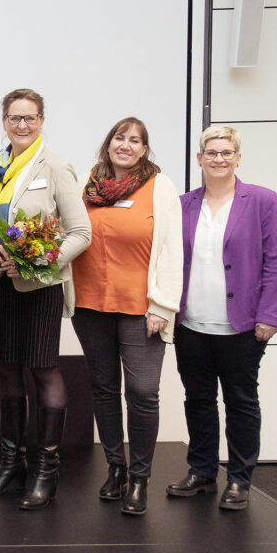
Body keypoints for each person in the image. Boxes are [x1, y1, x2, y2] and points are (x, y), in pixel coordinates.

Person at [0, 88, 91, 509]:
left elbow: (81, 234)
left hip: (40, 286)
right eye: (14, 118)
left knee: (43, 370)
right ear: (3, 121)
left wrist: (39, 261)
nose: (21, 125)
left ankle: (47, 471)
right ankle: (11, 465)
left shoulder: (56, 167)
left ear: (42, 120)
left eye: (29, 118)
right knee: (6, 370)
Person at [167, 126, 277, 511]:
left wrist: (269, 315)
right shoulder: (184, 204)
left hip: (242, 326)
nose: (218, 158)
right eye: (211, 152)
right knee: (198, 400)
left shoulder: (262, 201)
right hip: (191, 325)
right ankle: (202, 471)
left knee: (240, 401)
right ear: (199, 158)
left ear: (238, 157)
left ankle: (239, 479)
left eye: (226, 152)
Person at [70, 117, 183, 515]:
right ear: (109, 142)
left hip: (140, 308)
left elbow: (172, 250)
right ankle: (115, 467)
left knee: (142, 393)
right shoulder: (88, 184)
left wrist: (163, 306)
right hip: (90, 305)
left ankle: (140, 478)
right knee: (103, 389)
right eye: (120, 137)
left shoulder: (160, 186)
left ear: (144, 150)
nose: (126, 145)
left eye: (135, 140)